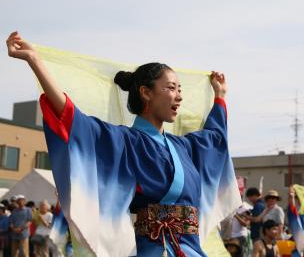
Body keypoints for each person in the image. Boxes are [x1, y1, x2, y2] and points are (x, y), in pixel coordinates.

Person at [6, 31, 240, 257]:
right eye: (170, 88)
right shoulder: (125, 141)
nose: (179, 96)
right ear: (146, 93)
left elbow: (214, 139)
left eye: (180, 89)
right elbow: (73, 119)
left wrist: (219, 96)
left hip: (191, 248)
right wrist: (35, 61)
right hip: (150, 249)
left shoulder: (184, 148)